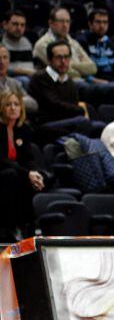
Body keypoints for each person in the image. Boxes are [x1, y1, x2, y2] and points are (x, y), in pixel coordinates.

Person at [0, 90, 44, 241]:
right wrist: (27, 174)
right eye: (8, 105)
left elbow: (28, 158)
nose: (13, 108)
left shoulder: (23, 129)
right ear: (1, 108)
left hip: (16, 173)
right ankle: (11, 227)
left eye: (16, 104)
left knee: (33, 179)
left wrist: (34, 173)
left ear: (21, 108)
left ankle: (30, 227)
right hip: (3, 172)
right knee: (13, 176)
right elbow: (2, 160)